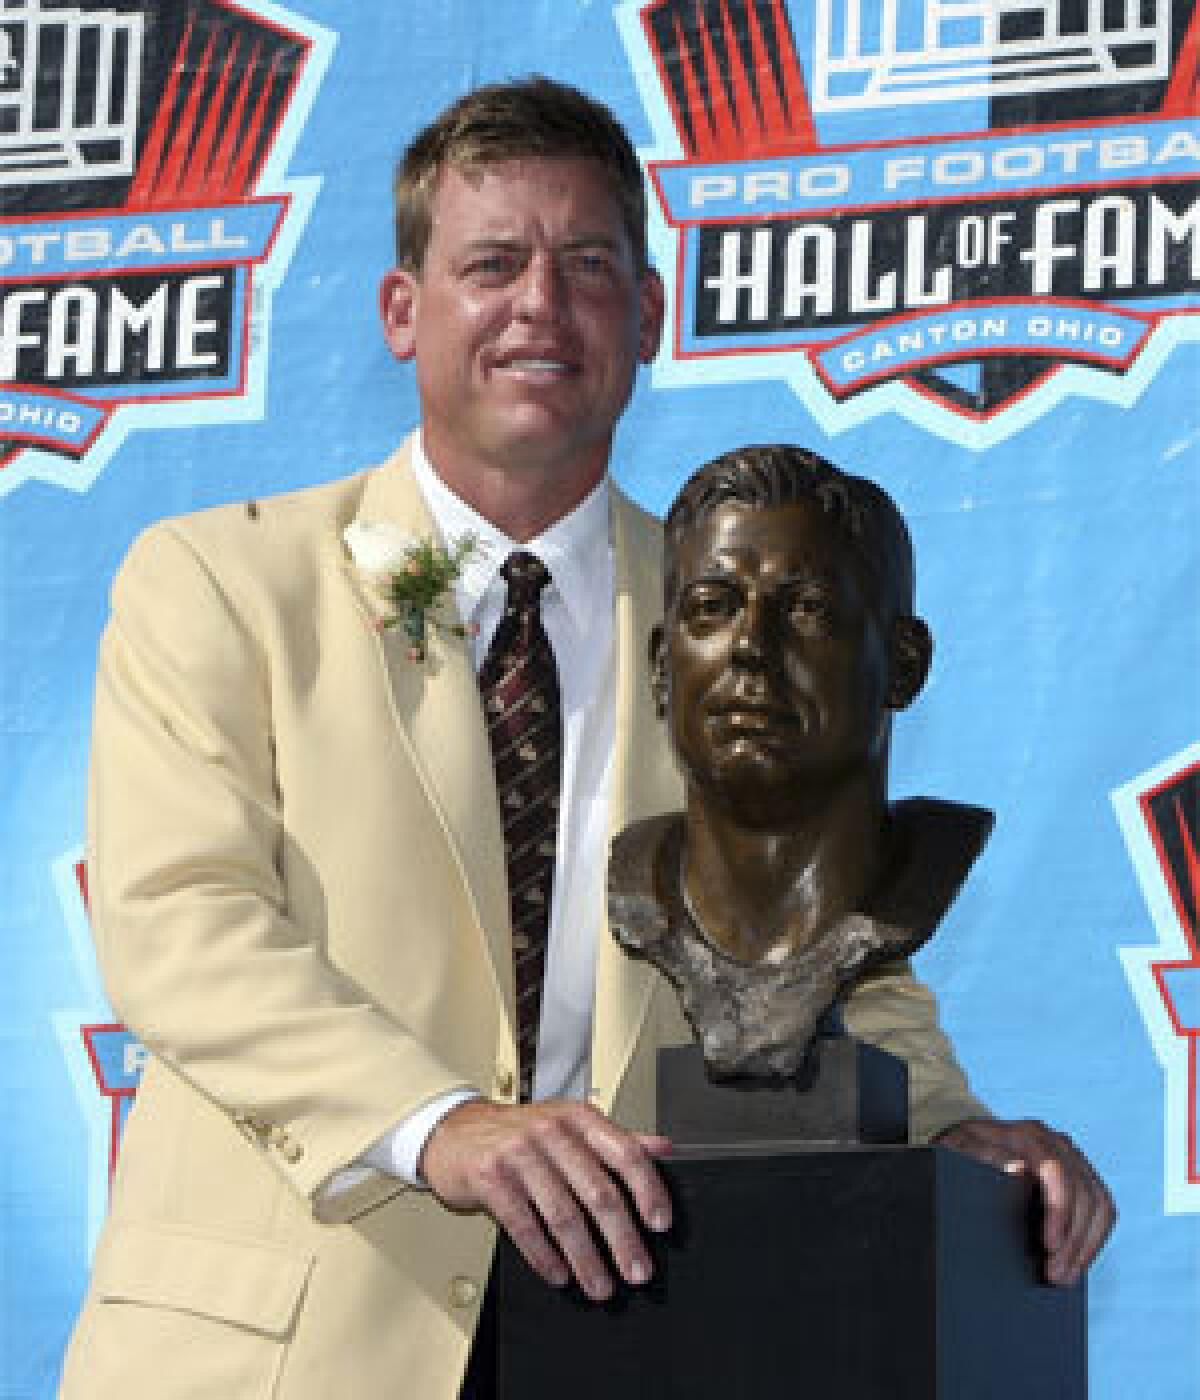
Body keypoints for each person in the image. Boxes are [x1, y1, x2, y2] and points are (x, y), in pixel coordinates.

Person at [59, 78, 1113, 1400]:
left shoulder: (730, 615)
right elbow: (182, 924)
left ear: (653, 315)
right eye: (492, 264)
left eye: (589, 265)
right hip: (275, 1351)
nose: (539, 305)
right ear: (405, 311)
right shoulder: (217, 582)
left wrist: (958, 1133)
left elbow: (819, 936)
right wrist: (448, 1128)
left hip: (633, 1334)